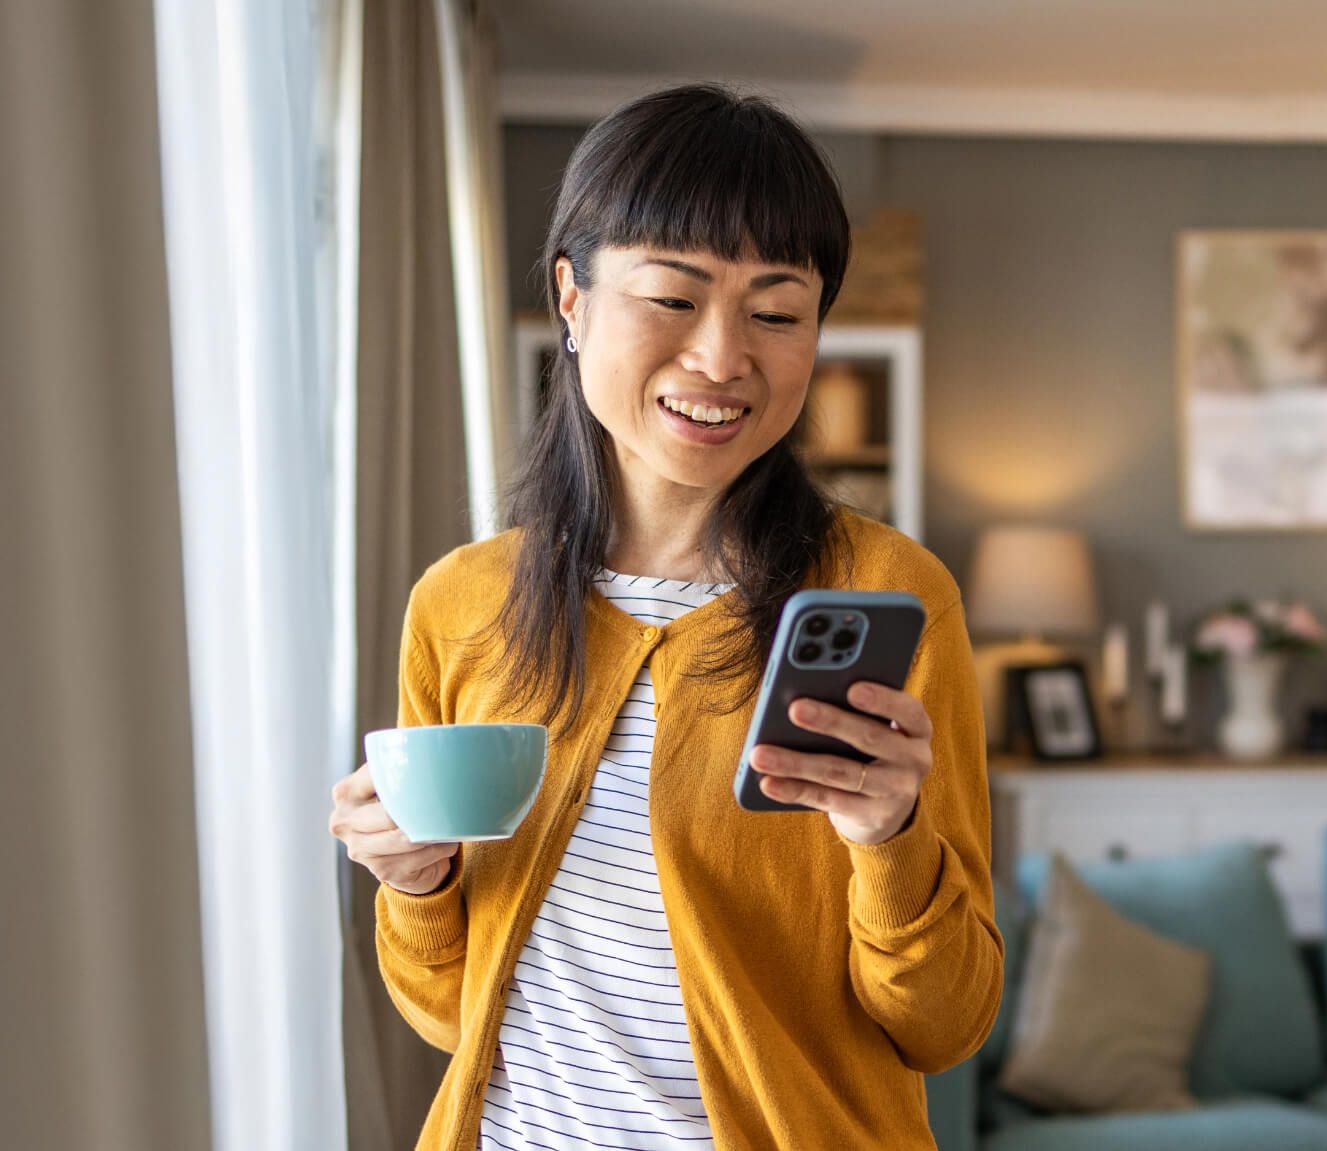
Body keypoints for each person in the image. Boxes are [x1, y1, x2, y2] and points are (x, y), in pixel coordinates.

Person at [327, 83, 1001, 1151]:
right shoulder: (463, 603)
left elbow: (944, 1022)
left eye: (776, 313)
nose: (722, 358)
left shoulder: (890, 592)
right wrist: (416, 881)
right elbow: (453, 1015)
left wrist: (889, 837)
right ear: (573, 296)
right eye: (673, 298)